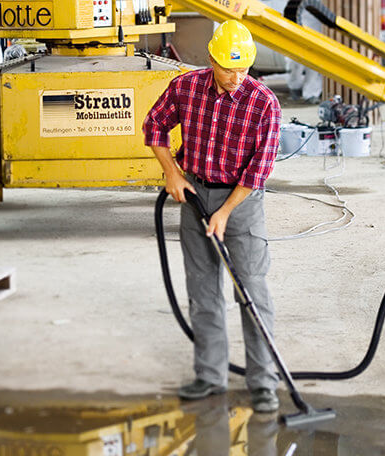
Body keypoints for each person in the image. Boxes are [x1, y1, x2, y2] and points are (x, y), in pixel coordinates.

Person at [142, 20, 283, 413]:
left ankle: (263, 382)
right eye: (228, 68)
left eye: (244, 69)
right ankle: (209, 375)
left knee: (252, 291)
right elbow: (154, 126)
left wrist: (224, 213)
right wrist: (172, 173)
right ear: (211, 60)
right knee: (203, 291)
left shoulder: (264, 103)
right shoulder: (186, 88)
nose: (237, 77)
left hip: (242, 202)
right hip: (196, 195)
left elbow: (259, 170)